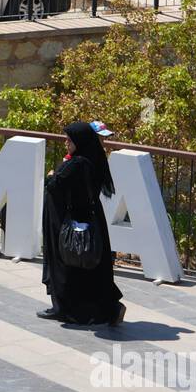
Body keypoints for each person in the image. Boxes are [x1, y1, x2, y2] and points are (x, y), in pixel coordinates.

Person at [40, 120, 126, 326]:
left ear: (80, 140)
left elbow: (54, 184)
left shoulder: (77, 163)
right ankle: (107, 308)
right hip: (90, 220)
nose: (66, 141)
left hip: (71, 222)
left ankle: (64, 308)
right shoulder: (92, 158)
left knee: (67, 263)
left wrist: (54, 173)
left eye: (70, 138)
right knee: (91, 267)